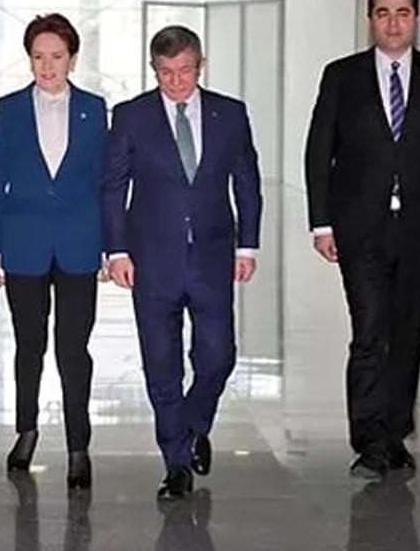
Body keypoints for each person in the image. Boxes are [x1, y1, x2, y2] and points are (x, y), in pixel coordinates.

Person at [303, 0, 420, 479]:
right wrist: (321, 222)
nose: (393, 23)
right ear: (370, 20)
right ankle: (369, 440)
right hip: (360, 227)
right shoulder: (342, 76)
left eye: (402, 12)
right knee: (370, 332)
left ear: (416, 18)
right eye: (383, 13)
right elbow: (319, 151)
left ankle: (395, 432)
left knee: (407, 334)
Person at [103, 25, 262, 500]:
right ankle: (176, 462)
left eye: (185, 71)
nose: (175, 81)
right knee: (161, 365)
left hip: (213, 256)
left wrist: (247, 246)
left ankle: (193, 425)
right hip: (151, 259)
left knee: (219, 355)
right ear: (153, 69)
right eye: (166, 72)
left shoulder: (229, 114)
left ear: (201, 65)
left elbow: (247, 181)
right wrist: (117, 251)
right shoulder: (131, 116)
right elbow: (113, 186)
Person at [0, 14, 107, 490]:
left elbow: (104, 182)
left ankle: (78, 446)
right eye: (38, 57)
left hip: (79, 242)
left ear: (72, 59)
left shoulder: (94, 109)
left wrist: (109, 245)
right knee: (28, 344)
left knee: (73, 348)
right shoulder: (10, 108)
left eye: (56, 56)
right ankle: (26, 430)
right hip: (23, 242)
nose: (47, 66)